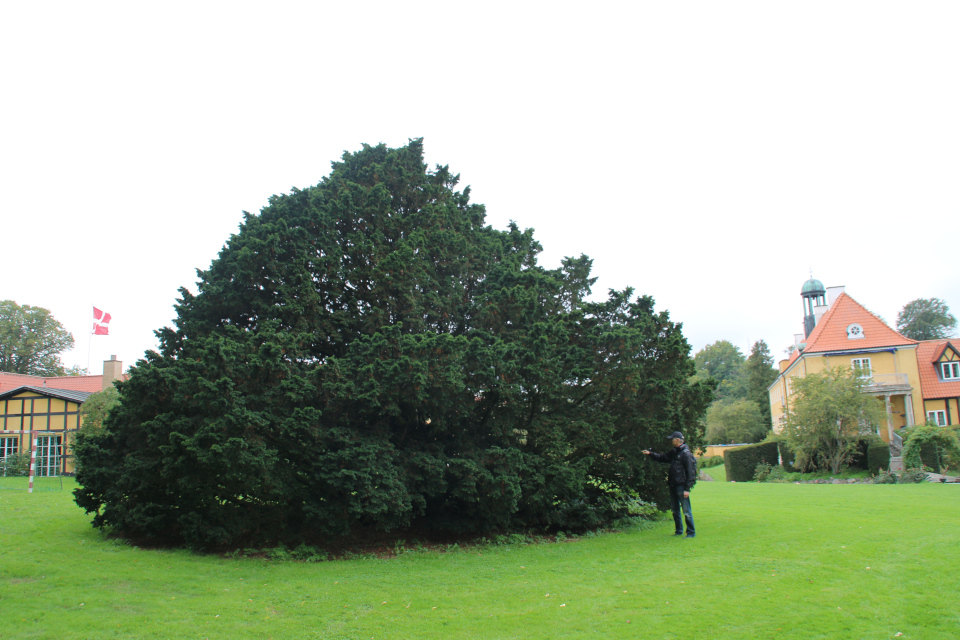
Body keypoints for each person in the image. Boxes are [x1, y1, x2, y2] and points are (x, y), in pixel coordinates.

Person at [642, 431, 697, 538]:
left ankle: (691, 532)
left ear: (677, 440)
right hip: (673, 484)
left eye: (672, 439)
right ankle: (678, 531)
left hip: (681, 486)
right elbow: (663, 457)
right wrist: (650, 454)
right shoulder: (674, 452)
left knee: (686, 510)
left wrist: (687, 489)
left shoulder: (686, 454)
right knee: (675, 510)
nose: (671, 441)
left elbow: (691, 473)